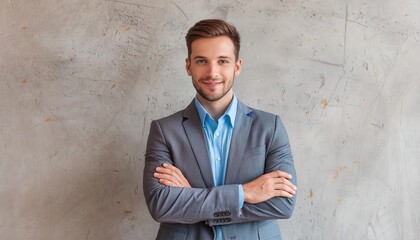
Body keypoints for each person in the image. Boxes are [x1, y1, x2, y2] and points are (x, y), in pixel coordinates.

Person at [143, 19, 297, 240]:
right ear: (189, 66)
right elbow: (161, 205)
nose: (212, 72)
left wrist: (192, 200)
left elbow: (283, 204)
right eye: (201, 61)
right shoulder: (164, 130)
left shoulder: (270, 127)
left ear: (237, 66)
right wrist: (245, 193)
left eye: (222, 61)